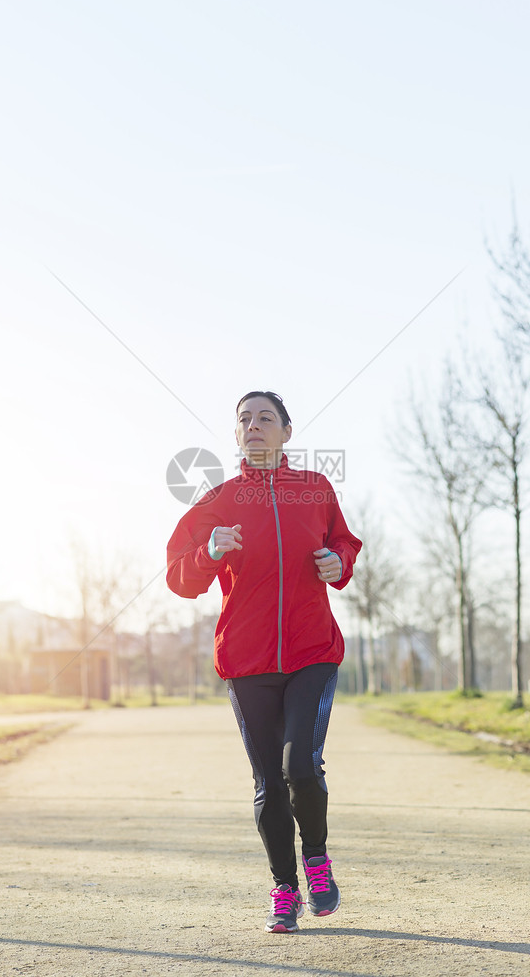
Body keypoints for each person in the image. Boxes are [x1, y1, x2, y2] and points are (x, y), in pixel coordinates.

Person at [166, 391, 362, 933]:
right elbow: (179, 577)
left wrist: (336, 562)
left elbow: (344, 543)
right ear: (236, 436)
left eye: (265, 418)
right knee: (268, 782)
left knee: (299, 767)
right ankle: (284, 887)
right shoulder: (220, 500)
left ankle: (316, 861)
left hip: (312, 652)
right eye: (244, 419)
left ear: (287, 432)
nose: (254, 426)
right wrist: (209, 550)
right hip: (248, 661)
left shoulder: (314, 490)